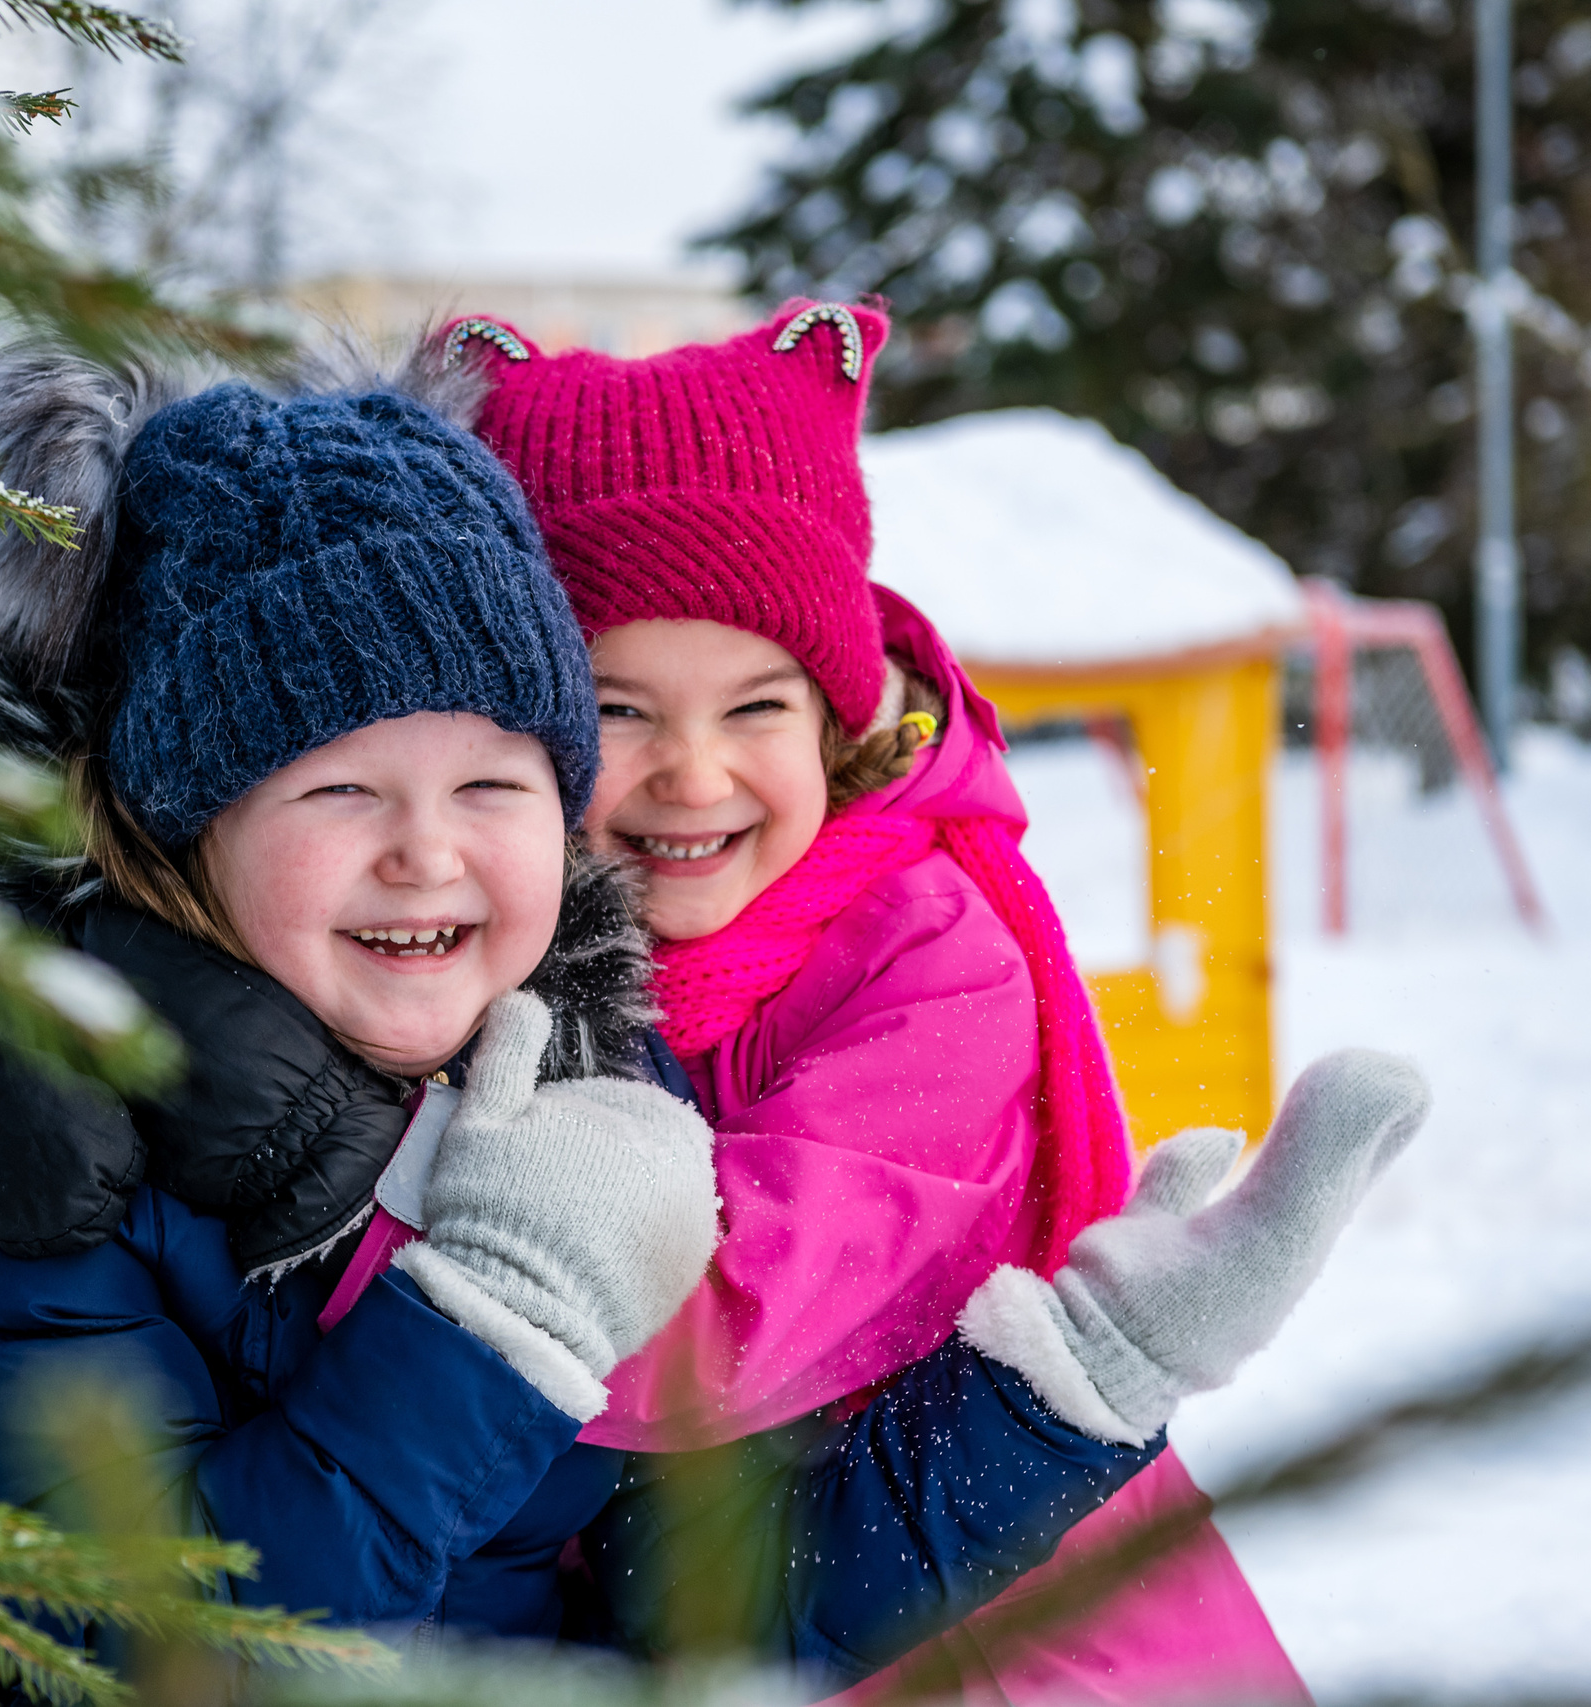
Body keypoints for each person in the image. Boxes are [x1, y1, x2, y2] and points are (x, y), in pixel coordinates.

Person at [0, 345, 1428, 1704]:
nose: (430, 850)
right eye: (344, 790)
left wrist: (1072, 1387)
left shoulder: (578, 1091)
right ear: (191, 819)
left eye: (494, 784)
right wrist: (484, 1319)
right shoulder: (34, 1121)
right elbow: (124, 1646)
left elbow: (680, 1623)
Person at [436, 298, 1312, 1702]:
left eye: (757, 707)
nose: (695, 772)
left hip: (999, 1627)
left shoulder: (929, 954)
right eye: (618, 709)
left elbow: (724, 1329)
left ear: (840, 713)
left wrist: (392, 1261)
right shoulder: (526, 945)